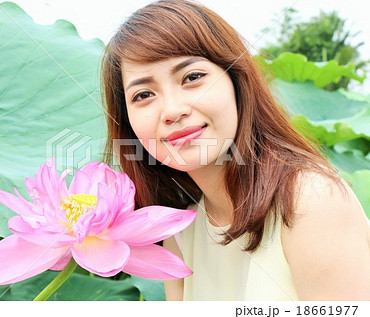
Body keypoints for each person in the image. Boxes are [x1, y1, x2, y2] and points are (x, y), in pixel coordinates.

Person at [100, 0, 370, 300]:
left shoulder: (311, 201)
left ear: (237, 81)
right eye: (144, 94)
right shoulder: (180, 234)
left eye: (192, 77)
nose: (172, 110)